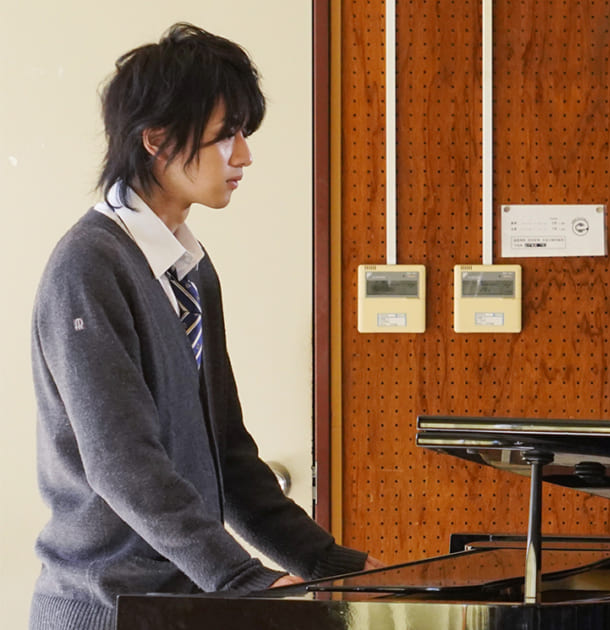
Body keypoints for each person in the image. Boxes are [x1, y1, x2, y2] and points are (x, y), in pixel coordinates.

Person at [30, 24, 381, 630]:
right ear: (157, 139)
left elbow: (228, 452)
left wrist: (328, 564)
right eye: (226, 135)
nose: (243, 156)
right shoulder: (88, 266)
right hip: (105, 612)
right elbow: (122, 466)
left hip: (180, 608)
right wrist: (240, 578)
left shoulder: (189, 268)